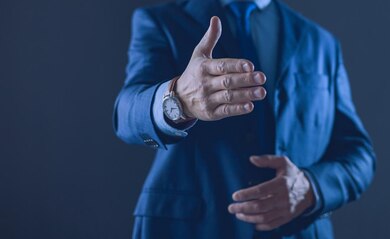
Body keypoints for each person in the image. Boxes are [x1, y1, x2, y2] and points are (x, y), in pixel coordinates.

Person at [113, 0, 375, 238]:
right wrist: (179, 99)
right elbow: (126, 116)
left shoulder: (321, 43)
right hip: (188, 229)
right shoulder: (161, 21)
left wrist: (311, 188)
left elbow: (359, 155)